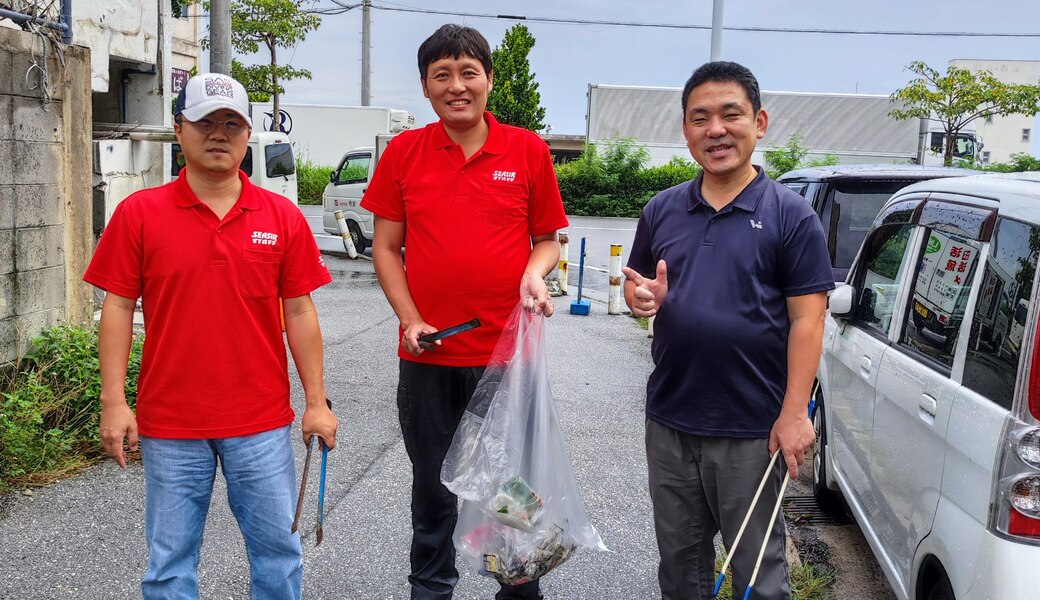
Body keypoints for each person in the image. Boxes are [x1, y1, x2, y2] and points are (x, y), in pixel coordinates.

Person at [84, 73, 338, 599]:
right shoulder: (140, 214)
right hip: (171, 423)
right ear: (180, 130)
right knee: (170, 564)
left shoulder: (282, 217)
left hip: (261, 422)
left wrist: (317, 402)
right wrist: (115, 401)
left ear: (248, 135)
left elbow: (300, 312)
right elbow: (117, 308)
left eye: (232, 123)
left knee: (278, 556)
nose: (218, 134)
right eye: (204, 122)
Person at [360, 24, 568, 600]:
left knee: (510, 485)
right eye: (442, 75)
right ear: (426, 88)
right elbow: (385, 247)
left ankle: (518, 583)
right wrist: (409, 318)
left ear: (489, 80)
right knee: (433, 486)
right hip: (429, 354)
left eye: (468, 72)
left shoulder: (526, 150)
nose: (457, 86)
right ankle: (431, 588)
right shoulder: (405, 152)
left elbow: (546, 238)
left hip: (506, 355)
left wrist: (533, 273)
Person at [622, 61, 833, 600]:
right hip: (671, 418)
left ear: (758, 123)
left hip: (752, 427)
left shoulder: (791, 216)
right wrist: (639, 299)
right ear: (686, 129)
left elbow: (808, 318)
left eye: (730, 114)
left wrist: (793, 413)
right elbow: (639, 291)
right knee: (680, 565)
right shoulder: (661, 210)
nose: (715, 130)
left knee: (758, 574)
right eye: (700, 118)